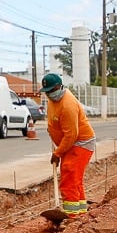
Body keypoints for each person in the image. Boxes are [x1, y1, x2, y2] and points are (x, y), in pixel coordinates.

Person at [39, 73, 96, 218]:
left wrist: (58, 153)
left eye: (52, 90)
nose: (50, 95)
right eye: (47, 92)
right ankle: (81, 213)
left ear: (59, 86)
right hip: (70, 143)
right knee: (74, 178)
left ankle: (71, 217)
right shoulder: (53, 100)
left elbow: (72, 135)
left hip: (81, 142)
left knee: (69, 174)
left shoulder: (67, 105)